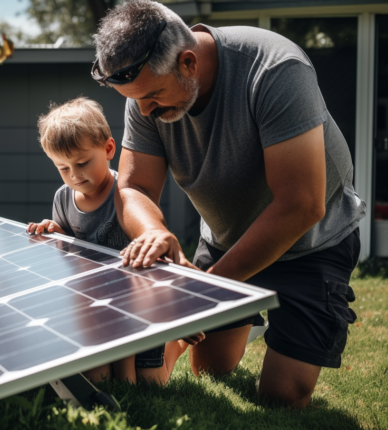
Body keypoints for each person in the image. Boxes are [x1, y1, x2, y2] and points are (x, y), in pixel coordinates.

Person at [91, 0, 366, 408]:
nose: (144, 111)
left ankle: (271, 318)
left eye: (151, 98)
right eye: (137, 102)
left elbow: (302, 203)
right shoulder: (145, 93)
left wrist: (210, 289)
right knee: (210, 370)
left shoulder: (275, 70)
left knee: (281, 397)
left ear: (188, 63)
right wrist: (154, 232)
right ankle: (244, 314)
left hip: (312, 246)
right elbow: (133, 188)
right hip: (225, 238)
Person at [26, 96, 189, 385]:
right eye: (63, 168)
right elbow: (69, 254)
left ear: (109, 149)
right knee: (96, 379)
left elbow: (151, 250)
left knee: (146, 383)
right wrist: (55, 233)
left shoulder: (127, 194)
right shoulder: (63, 199)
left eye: (83, 162)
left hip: (136, 300)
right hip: (94, 302)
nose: (74, 175)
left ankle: (173, 345)